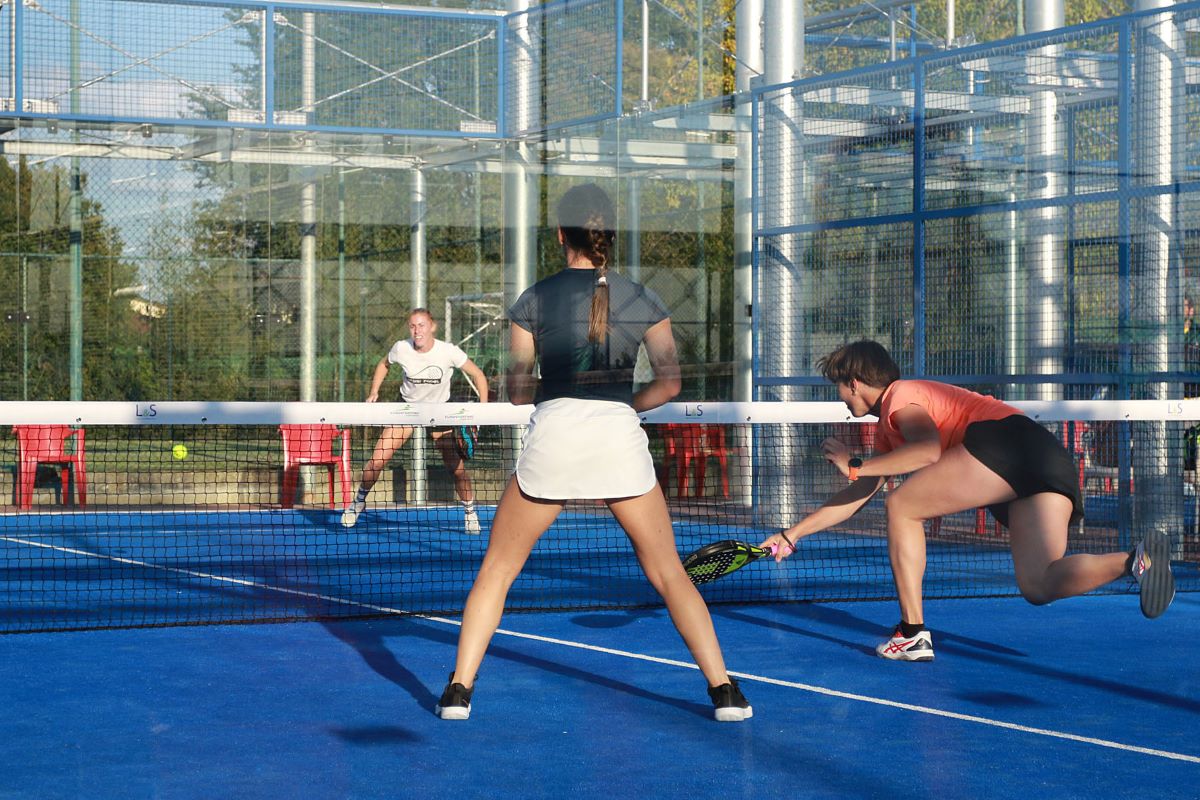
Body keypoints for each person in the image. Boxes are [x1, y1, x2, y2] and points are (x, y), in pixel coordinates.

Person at [436, 184, 750, 722]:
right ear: (608, 236)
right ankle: (725, 693)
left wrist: (559, 398)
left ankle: (458, 693)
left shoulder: (533, 300)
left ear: (561, 235)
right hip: (617, 437)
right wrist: (621, 404)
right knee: (670, 573)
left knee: (497, 570)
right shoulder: (645, 299)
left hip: (554, 435)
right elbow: (670, 383)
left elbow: (517, 389)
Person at [759, 340, 1176, 662]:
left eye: (840, 389)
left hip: (1005, 444)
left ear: (854, 382)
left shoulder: (901, 396)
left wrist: (855, 463)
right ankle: (1136, 562)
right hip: (1046, 458)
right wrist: (792, 535)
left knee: (902, 506)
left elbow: (926, 451)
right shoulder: (890, 430)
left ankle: (912, 632)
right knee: (1039, 583)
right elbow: (858, 493)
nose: (841, 400)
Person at [341, 308, 489, 534]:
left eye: (421, 325)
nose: (417, 330)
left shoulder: (448, 351)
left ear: (432, 326)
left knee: (457, 470)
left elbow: (478, 375)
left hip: (441, 412)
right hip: (407, 409)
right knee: (377, 461)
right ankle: (357, 502)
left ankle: (470, 513)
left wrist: (484, 410)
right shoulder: (401, 348)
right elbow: (384, 364)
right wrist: (374, 391)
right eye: (412, 326)